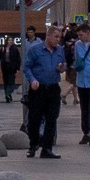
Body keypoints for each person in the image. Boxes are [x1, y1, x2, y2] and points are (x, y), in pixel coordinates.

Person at [22, 25, 64, 158]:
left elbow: (63, 65)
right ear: (48, 36)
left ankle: (47, 148)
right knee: (34, 119)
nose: (58, 40)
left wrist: (62, 68)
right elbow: (26, 67)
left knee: (52, 119)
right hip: (38, 89)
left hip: (53, 88)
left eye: (59, 37)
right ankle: (33, 144)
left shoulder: (60, 50)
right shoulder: (35, 50)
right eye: (56, 37)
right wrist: (32, 80)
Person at [0, 36, 23, 102]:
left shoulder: (14, 49)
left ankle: (8, 93)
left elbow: (18, 59)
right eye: (9, 40)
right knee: (6, 82)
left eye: (11, 40)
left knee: (11, 82)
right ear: (6, 41)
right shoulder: (3, 48)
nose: (10, 41)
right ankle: (7, 96)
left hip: (12, 68)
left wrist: (18, 68)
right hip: (5, 68)